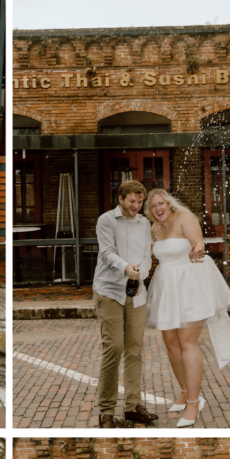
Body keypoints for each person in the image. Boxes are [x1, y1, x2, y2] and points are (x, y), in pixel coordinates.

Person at [145, 189, 230, 427]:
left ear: (168, 203)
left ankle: (194, 402)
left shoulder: (185, 217)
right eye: (153, 207)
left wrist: (198, 248)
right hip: (166, 287)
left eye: (161, 203)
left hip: (190, 284)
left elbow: (197, 242)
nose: (158, 208)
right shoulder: (154, 229)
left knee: (186, 342)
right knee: (170, 343)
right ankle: (183, 390)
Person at [92, 180, 158, 429]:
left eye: (140, 202)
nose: (136, 206)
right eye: (132, 201)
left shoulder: (144, 224)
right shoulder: (106, 220)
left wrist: (140, 270)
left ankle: (132, 407)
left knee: (134, 349)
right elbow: (107, 253)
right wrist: (126, 267)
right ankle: (106, 411)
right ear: (120, 199)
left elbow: (147, 255)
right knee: (114, 347)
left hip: (136, 292)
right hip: (109, 291)